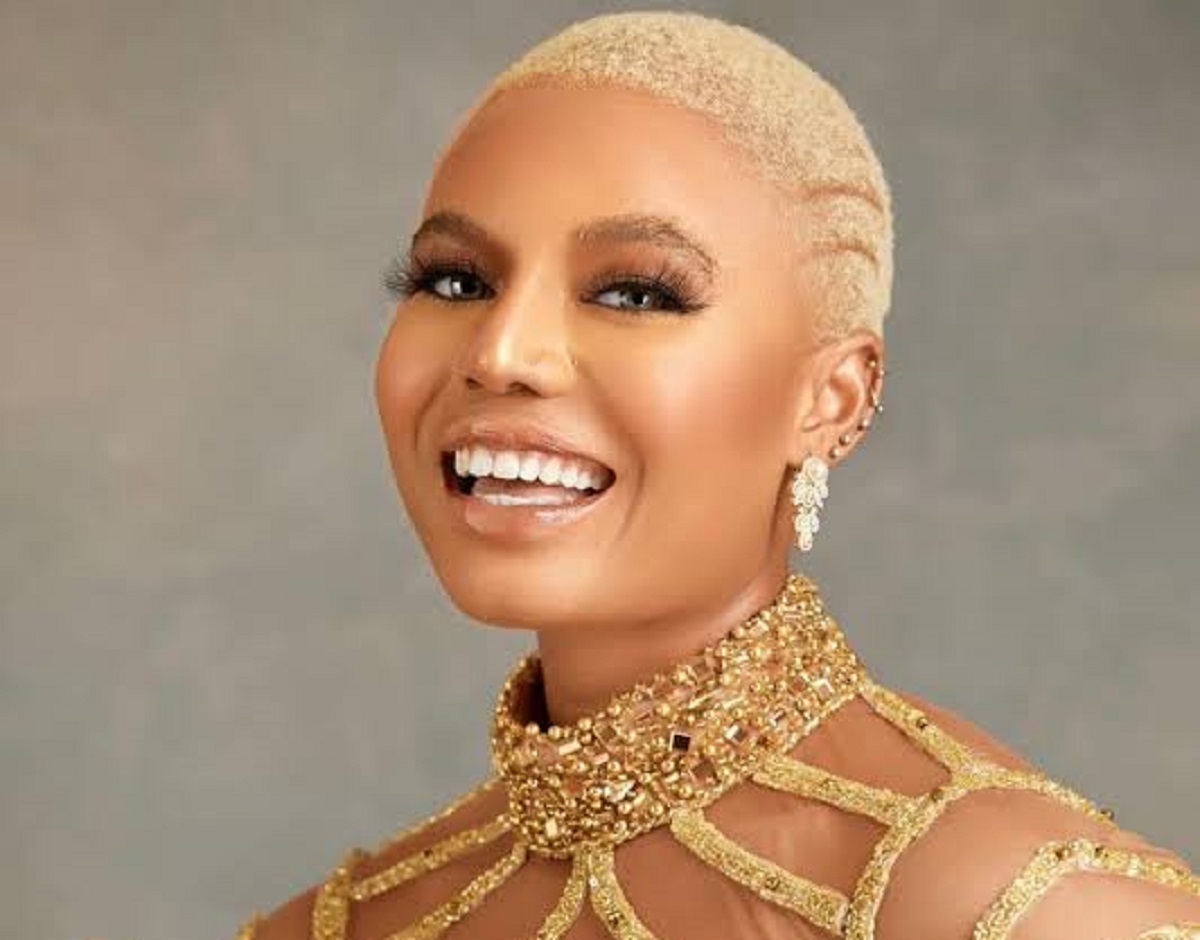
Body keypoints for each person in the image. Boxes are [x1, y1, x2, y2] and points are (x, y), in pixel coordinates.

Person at [231, 11, 1200, 940]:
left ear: (831, 399)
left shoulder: (1033, 909)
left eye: (634, 293)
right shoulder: (335, 928)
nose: (501, 352)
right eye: (456, 280)